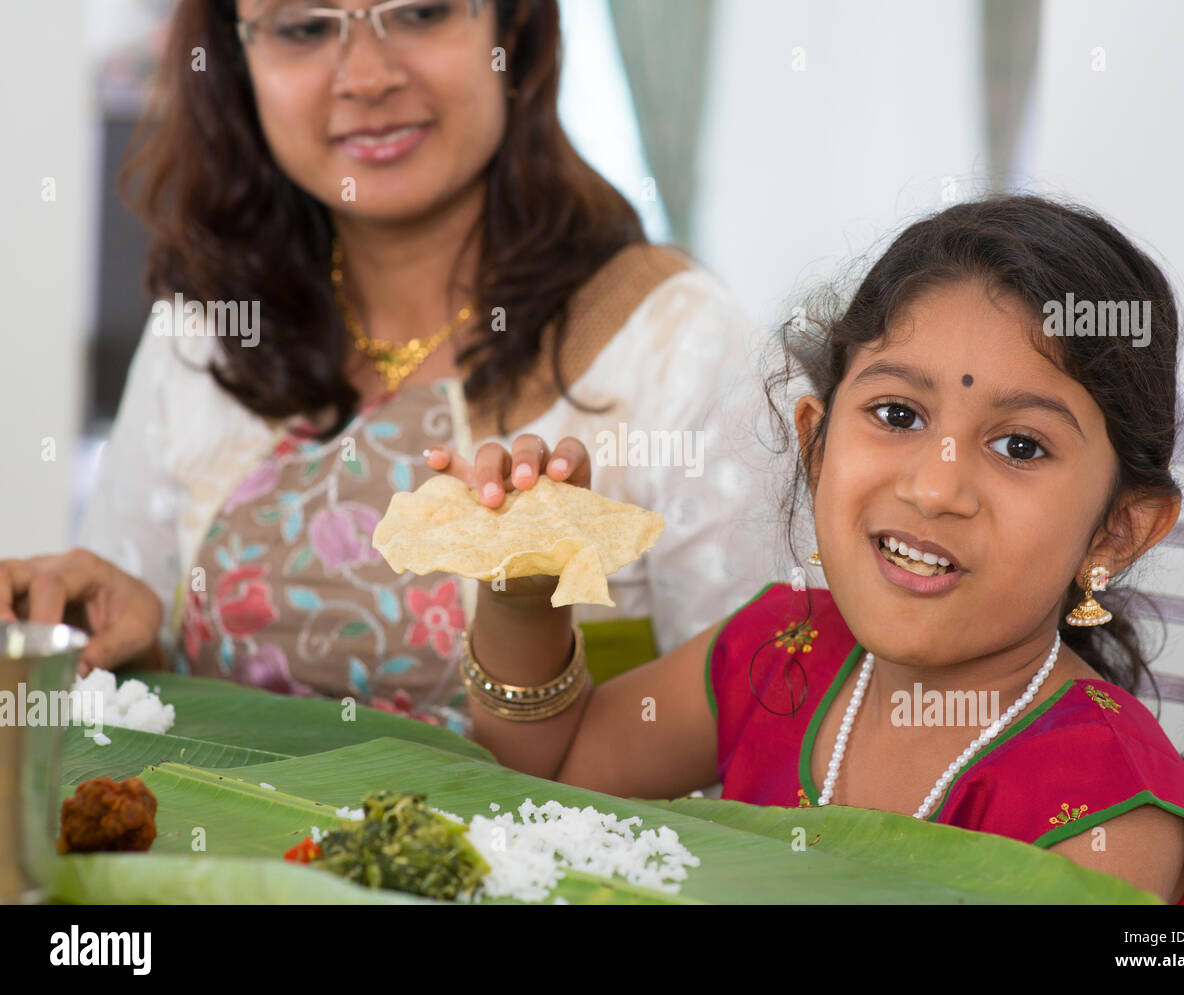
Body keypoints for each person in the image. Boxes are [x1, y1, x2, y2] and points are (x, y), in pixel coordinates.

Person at [427, 195, 1184, 904]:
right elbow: (545, 781)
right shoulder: (785, 648)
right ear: (816, 446)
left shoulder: (1108, 809)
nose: (935, 487)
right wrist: (524, 592)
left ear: (1116, 530)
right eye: (897, 415)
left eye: (1020, 446)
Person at [0, 0, 774, 733]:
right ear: (236, 62)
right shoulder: (206, 329)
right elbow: (138, 679)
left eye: (421, 11)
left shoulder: (678, 340)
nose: (366, 76)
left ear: (516, 28)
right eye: (304, 27)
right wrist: (135, 657)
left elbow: (771, 727)